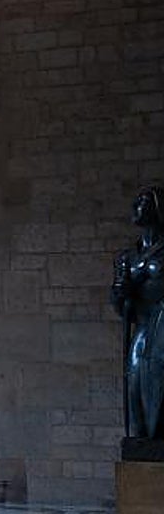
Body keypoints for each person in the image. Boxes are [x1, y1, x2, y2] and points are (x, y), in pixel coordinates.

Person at [111, 187, 164, 440]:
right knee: (135, 389)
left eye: (143, 202)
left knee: (158, 393)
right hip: (143, 328)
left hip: (162, 326)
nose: (137, 207)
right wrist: (121, 293)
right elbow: (120, 306)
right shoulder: (128, 258)